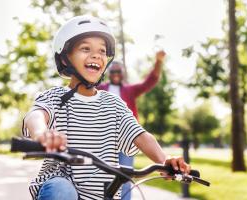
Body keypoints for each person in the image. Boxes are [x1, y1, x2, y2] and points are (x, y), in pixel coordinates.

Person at [22, 16, 190, 200]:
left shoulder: (114, 104)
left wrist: (163, 160)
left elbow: (140, 135)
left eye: (102, 51)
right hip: (61, 186)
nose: (96, 55)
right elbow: (36, 115)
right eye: (85, 48)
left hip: (104, 193)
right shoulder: (55, 97)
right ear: (64, 58)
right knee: (62, 190)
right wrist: (42, 134)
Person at [97, 52, 165, 200]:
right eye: (113, 71)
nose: (115, 74)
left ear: (122, 73)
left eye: (118, 71)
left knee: (126, 177)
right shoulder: (100, 88)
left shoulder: (129, 90)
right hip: (105, 139)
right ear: (109, 73)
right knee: (103, 177)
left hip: (128, 139)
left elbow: (150, 82)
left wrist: (158, 62)